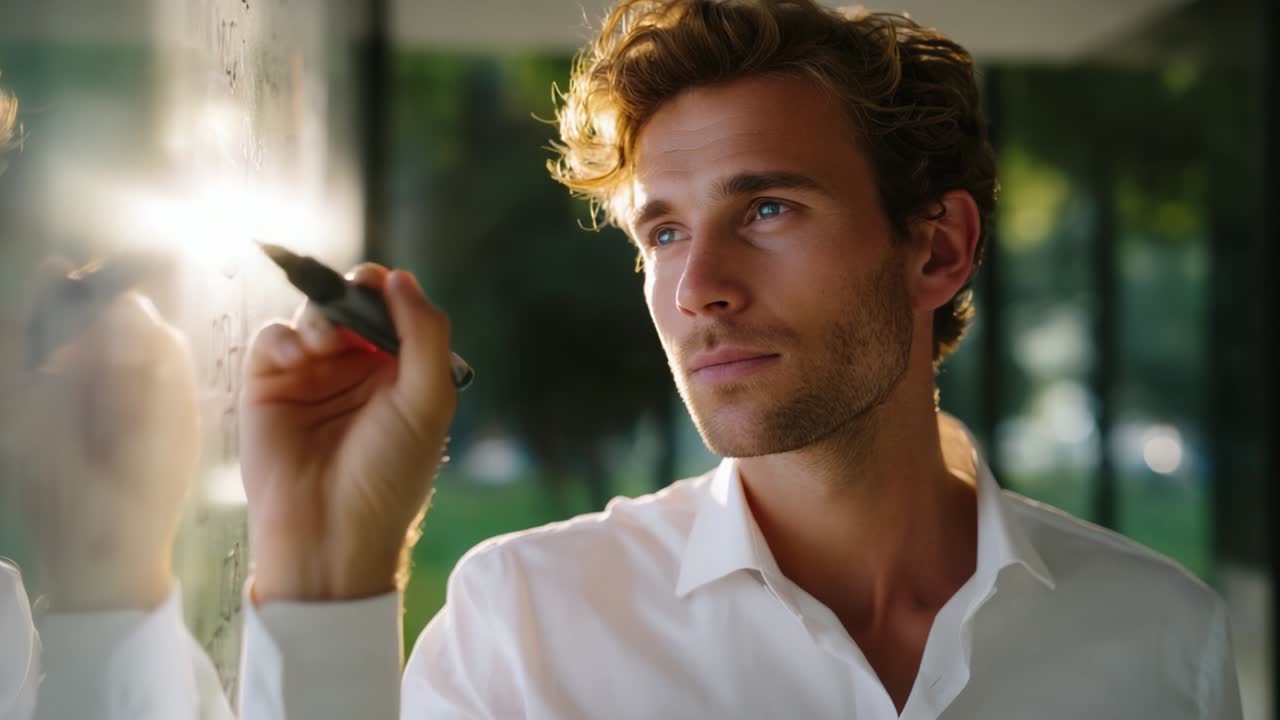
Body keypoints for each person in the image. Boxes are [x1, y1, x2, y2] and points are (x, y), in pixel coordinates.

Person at [233, 1, 1242, 719]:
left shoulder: (1155, 632)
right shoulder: (528, 622)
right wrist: (327, 582)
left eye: (766, 210)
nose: (695, 288)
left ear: (935, 248)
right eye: (661, 234)